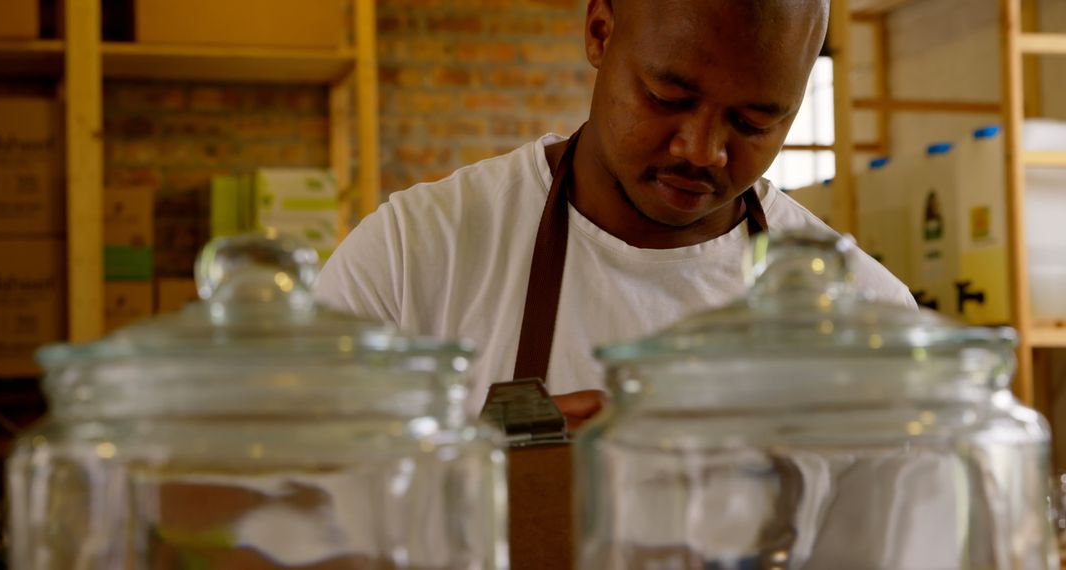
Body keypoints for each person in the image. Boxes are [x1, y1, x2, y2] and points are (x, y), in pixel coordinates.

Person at [315, 0, 916, 426]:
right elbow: (301, 516)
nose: (701, 149)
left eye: (755, 122)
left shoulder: (868, 316)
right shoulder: (410, 257)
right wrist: (467, 477)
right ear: (600, 31)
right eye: (667, 98)